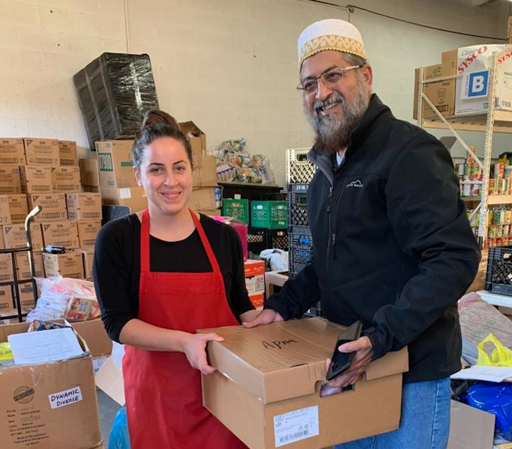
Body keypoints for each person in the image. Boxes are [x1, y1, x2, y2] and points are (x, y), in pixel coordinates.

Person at [244, 19, 481, 448]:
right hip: (350, 364)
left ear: (365, 76)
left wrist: (381, 336)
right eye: (310, 84)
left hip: (409, 371)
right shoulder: (323, 174)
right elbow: (329, 264)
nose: (321, 93)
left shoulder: (409, 153)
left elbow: (453, 258)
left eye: (333, 75)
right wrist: (283, 306)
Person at [94, 111, 256, 449]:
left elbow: (240, 306)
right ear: (138, 175)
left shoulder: (222, 238)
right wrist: (184, 342)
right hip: (156, 400)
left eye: (179, 168)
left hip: (221, 397)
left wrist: (280, 327)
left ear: (191, 171)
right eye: (156, 170)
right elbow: (116, 322)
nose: (171, 181)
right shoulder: (118, 239)